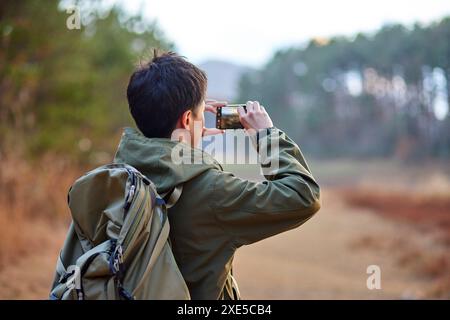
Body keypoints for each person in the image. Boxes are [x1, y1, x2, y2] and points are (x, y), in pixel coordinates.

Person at [113, 50, 321, 300]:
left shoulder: (118, 176)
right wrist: (267, 134)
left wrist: (187, 138)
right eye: (201, 113)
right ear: (188, 119)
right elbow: (303, 195)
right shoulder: (211, 190)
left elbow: (165, 162)